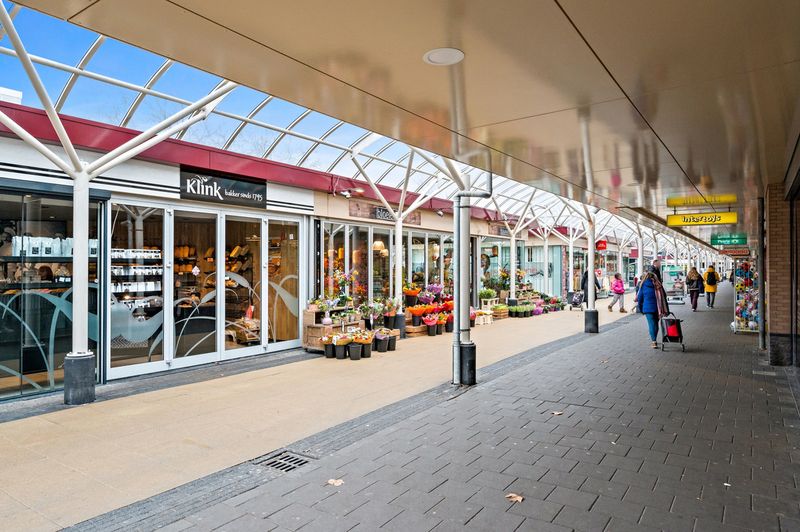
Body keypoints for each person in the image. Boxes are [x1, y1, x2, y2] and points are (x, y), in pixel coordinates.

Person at [637, 266, 668, 348]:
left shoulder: (643, 285)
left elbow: (640, 298)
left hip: (648, 308)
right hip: (659, 308)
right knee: (655, 324)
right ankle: (655, 339)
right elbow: (664, 296)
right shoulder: (659, 285)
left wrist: (640, 308)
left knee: (651, 324)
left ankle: (654, 341)